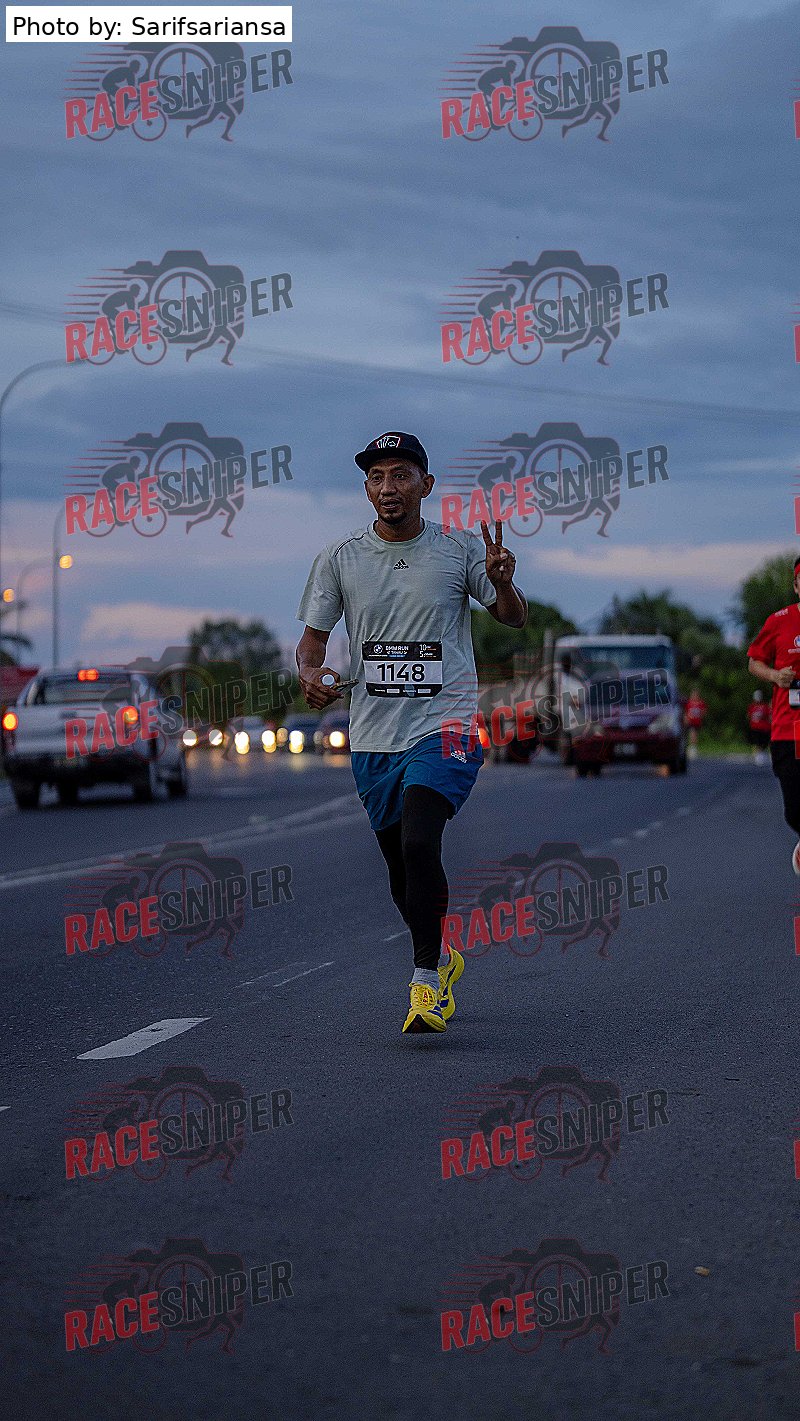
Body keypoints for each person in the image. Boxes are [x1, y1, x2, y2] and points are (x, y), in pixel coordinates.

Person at [295, 431, 527, 1034]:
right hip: (374, 735)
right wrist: (310, 676)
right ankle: (442, 957)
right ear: (366, 490)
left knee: (421, 843)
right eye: (377, 478)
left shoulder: (459, 549)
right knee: (401, 867)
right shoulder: (340, 557)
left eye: (401, 475)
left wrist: (502, 582)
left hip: (446, 724)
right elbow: (312, 643)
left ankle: (425, 983)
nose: (388, 487)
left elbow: (512, 617)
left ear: (426, 485)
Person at [747, 553, 800, 871]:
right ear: (796, 586)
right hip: (787, 729)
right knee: (794, 809)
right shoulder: (779, 621)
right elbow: (754, 662)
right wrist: (776, 676)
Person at [746, 689, 771, 765]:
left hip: (764, 728)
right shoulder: (752, 706)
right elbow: (748, 716)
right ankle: (757, 755)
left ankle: (762, 754)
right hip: (755, 728)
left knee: (764, 742)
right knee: (756, 742)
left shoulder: (764, 706)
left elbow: (769, 716)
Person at [684, 685, 707, 758]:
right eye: (693, 694)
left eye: (696, 694)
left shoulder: (701, 703)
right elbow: (686, 712)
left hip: (697, 722)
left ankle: (693, 748)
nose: (694, 696)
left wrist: (700, 716)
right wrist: (686, 718)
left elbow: (704, 711)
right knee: (691, 734)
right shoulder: (689, 703)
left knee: (694, 734)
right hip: (690, 722)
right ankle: (691, 748)